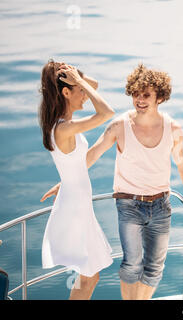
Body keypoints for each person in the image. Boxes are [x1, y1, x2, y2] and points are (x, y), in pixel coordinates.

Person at [42, 63, 183, 300]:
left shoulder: (173, 129)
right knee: (131, 266)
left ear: (160, 97)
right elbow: (93, 154)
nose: (140, 99)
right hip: (128, 204)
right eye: (136, 93)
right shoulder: (119, 125)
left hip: (161, 205)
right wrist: (65, 181)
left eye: (146, 94)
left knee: (155, 269)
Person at [39, 60, 115, 300]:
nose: (85, 95)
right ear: (65, 93)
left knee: (90, 276)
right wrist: (79, 81)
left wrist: (75, 77)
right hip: (76, 208)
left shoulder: (60, 125)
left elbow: (95, 85)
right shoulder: (64, 129)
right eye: (79, 91)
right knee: (89, 275)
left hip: (76, 201)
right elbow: (107, 113)